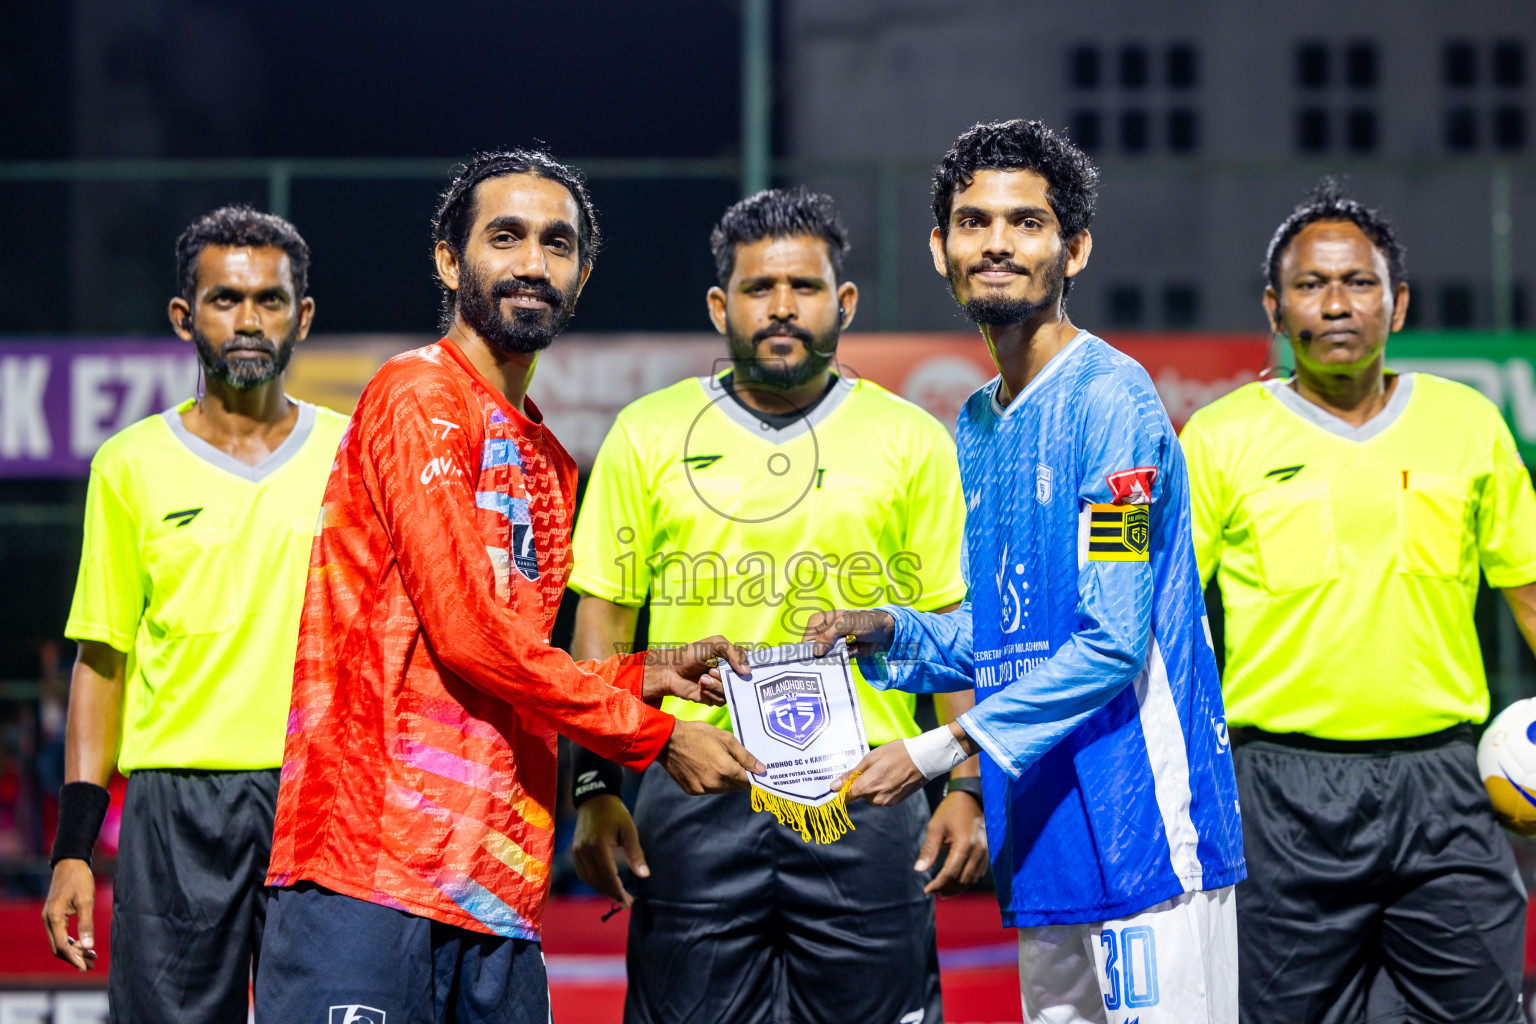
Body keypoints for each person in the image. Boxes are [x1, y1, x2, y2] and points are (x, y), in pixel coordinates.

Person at [255, 150, 763, 1024]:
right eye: (506, 237)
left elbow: (507, 670)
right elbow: (467, 633)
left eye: (557, 244)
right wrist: (649, 734)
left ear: (582, 272)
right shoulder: (414, 395)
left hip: (493, 887)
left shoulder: (547, 460)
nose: (533, 261)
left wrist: (638, 673)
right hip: (366, 871)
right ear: (451, 261)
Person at [805, 119, 1246, 1024]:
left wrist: (934, 751)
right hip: (1043, 835)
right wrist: (895, 634)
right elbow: (1015, 632)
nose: (997, 243)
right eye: (973, 223)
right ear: (940, 248)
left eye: (1027, 223)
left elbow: (1112, 643)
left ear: (1073, 248)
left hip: (1144, 831)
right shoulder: (975, 422)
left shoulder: (1114, 401)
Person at [567, 187, 982, 1024]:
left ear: (845, 302)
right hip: (697, 786)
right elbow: (602, 632)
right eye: (759, 288)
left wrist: (966, 785)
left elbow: (951, 634)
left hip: (864, 794)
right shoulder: (648, 433)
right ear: (722, 305)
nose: (782, 307)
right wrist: (591, 788)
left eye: (804, 286)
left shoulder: (913, 440)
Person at [1179, 180, 1536, 1024]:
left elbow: (1528, 589)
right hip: (1278, 790)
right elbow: (1159, 626)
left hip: (1447, 787)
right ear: (1274, 307)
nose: (1336, 303)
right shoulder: (1221, 438)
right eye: (1310, 285)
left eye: (1359, 282)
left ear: (1398, 303)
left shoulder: (1468, 421)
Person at [41, 206, 347, 1022]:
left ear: (302, 317)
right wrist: (73, 847)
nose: (249, 320)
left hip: (321, 798)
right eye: (225, 299)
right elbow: (100, 662)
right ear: (185, 317)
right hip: (174, 807)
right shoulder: (129, 464)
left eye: (270, 301)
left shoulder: (355, 458)